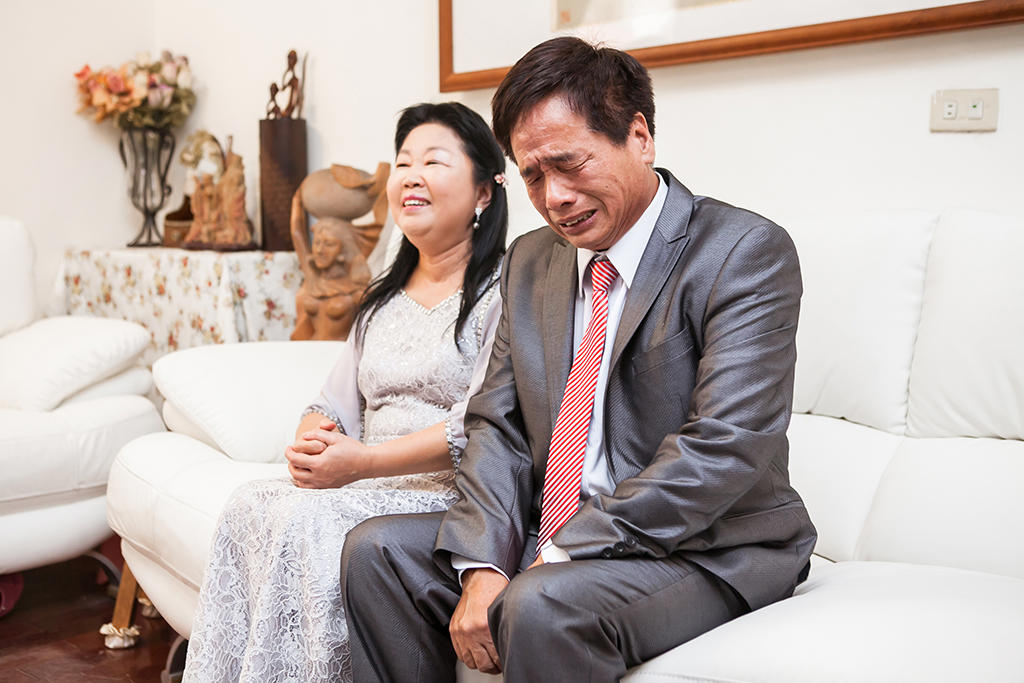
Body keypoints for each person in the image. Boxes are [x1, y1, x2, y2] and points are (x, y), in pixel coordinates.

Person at [341, 37, 817, 682]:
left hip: (706, 546)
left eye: (570, 164)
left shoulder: (741, 252)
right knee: (376, 551)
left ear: (639, 137)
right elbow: (497, 424)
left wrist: (565, 550)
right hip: (555, 532)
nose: (555, 196)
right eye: (533, 176)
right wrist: (483, 565)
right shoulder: (532, 259)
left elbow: (724, 447)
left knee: (541, 603)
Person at [181, 101, 509, 683]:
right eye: (403, 163)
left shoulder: (505, 291)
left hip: (446, 494)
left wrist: (363, 463)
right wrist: (315, 442)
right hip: (365, 479)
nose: (411, 176)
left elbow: (482, 424)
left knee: (306, 522)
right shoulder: (381, 298)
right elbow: (330, 404)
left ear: (484, 191)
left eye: (434, 162)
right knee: (248, 503)